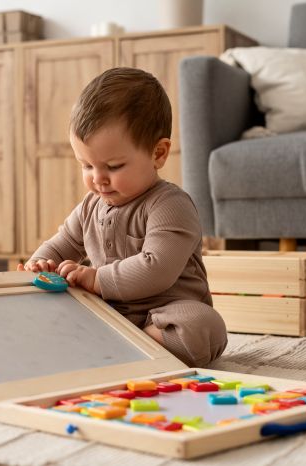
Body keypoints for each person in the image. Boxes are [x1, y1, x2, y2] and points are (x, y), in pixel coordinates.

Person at [17, 67, 227, 367]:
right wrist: (39, 264)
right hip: (109, 311)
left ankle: (130, 345)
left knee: (204, 326)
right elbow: (61, 243)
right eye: (86, 166)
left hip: (166, 314)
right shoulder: (91, 206)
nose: (98, 179)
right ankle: (118, 343)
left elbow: (156, 269)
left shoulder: (170, 205)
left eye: (113, 166)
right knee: (53, 308)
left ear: (158, 153)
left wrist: (97, 278)